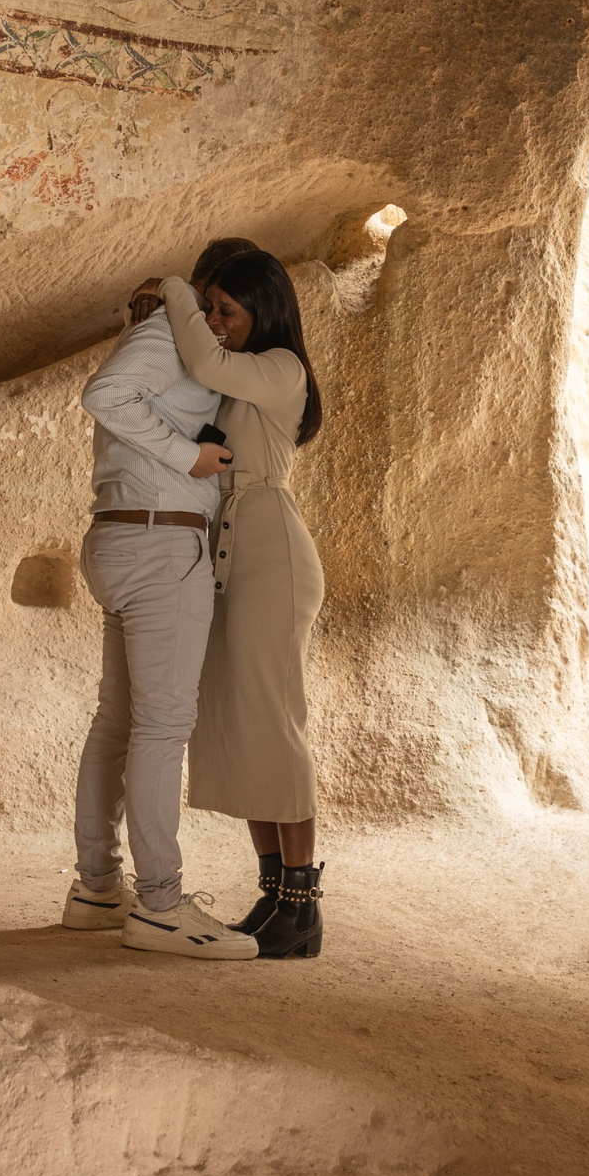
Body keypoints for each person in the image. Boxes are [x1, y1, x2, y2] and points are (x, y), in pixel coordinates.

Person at [61, 236, 264, 959]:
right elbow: (103, 395)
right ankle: (160, 904)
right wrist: (191, 458)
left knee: (119, 718)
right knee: (161, 725)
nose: (220, 323)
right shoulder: (164, 331)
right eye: (218, 305)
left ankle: (95, 888)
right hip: (158, 541)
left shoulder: (168, 332)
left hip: (126, 537)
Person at [149, 250, 329, 959]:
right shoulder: (241, 373)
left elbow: (203, 362)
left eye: (226, 309)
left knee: (276, 724)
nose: (215, 323)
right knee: (245, 725)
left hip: (272, 556)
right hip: (231, 553)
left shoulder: (280, 366)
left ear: (265, 310)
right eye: (210, 308)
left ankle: (304, 906)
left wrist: (172, 289)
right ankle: (273, 892)